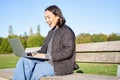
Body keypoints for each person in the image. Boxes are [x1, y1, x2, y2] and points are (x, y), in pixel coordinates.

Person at [13, 5, 76, 80]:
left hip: (59, 65)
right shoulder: (50, 32)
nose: (46, 20)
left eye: (48, 17)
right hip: (47, 61)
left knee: (37, 69)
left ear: (57, 16)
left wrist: (46, 56)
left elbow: (68, 51)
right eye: (45, 18)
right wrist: (33, 53)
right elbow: (43, 50)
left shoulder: (67, 31)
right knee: (24, 60)